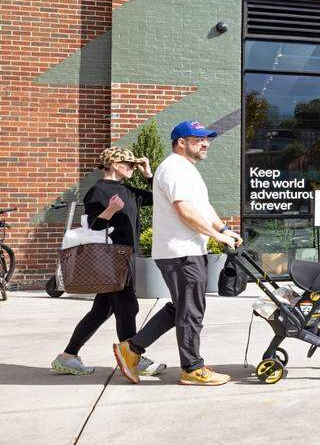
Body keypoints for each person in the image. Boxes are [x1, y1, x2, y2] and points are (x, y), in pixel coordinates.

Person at [112, 121, 242, 385]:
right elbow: (185, 211)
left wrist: (224, 228)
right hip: (181, 253)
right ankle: (192, 368)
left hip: (187, 250)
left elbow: (203, 207)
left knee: (180, 308)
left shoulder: (187, 170)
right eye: (198, 139)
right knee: (191, 311)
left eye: (207, 139)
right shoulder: (174, 168)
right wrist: (216, 236)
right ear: (180, 142)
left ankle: (131, 349)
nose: (205, 144)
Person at [51, 147, 167, 377]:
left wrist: (148, 175)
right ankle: (132, 357)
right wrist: (111, 210)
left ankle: (67, 357)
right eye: (129, 164)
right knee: (128, 307)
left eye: (134, 164)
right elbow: (93, 227)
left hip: (125, 256)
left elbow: (160, 199)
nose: (133, 167)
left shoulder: (128, 190)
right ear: (114, 164)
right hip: (110, 258)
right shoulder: (98, 191)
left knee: (101, 310)